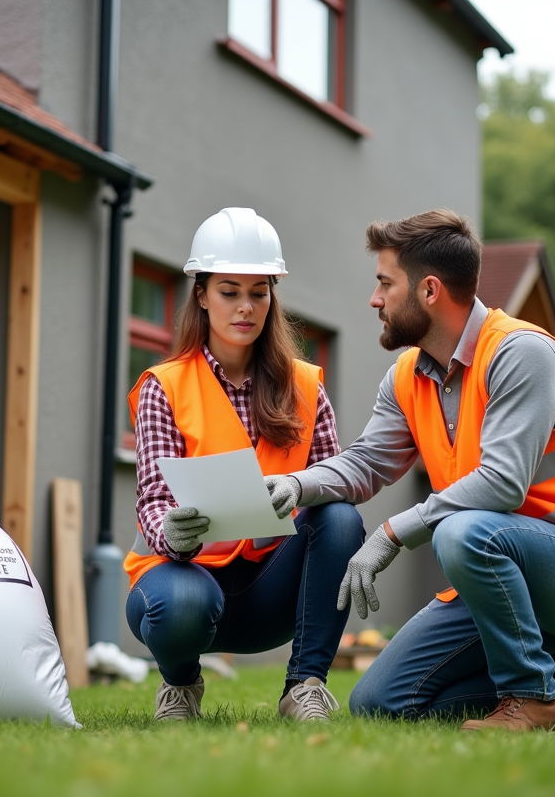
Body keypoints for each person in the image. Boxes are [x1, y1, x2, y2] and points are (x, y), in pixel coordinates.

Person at [264, 209, 555, 732]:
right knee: (379, 705)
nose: (375, 300)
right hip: (502, 573)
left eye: (384, 283)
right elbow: (368, 462)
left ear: (428, 290)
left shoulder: (521, 354)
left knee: (462, 531)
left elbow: (502, 484)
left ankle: (533, 698)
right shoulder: (407, 375)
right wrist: (295, 484)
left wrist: (394, 532)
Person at [125, 207, 364, 722]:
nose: (245, 307)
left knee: (342, 517)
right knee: (181, 604)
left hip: (268, 589)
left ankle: (304, 687)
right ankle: (181, 685)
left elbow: (333, 483)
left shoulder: (305, 387)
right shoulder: (163, 387)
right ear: (201, 295)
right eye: (229, 291)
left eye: (259, 291)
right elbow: (152, 502)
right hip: (184, 580)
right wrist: (174, 532)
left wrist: (301, 489)